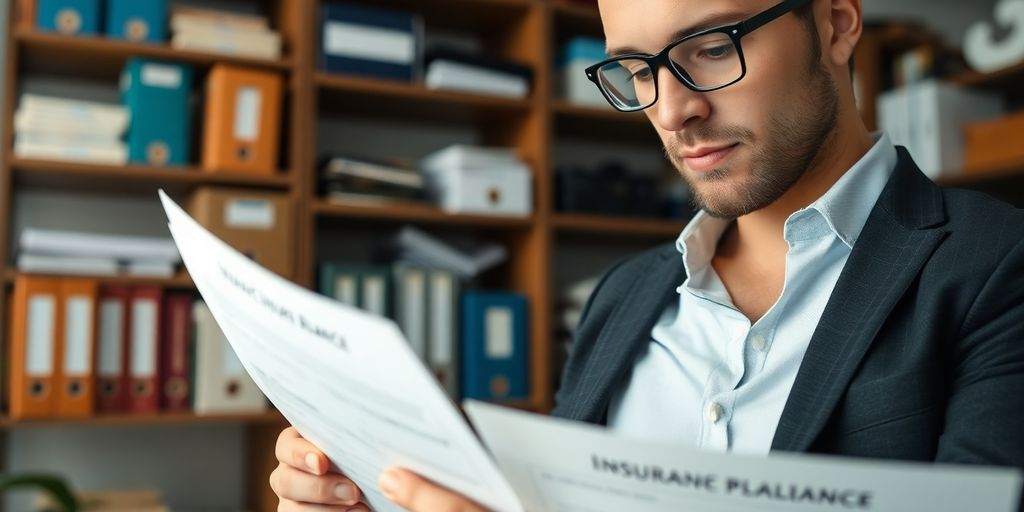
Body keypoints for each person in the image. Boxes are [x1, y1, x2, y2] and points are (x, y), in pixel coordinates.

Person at [269, 0, 1024, 510]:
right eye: (635, 70)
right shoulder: (622, 297)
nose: (671, 109)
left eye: (710, 46)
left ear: (835, 22)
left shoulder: (998, 266)